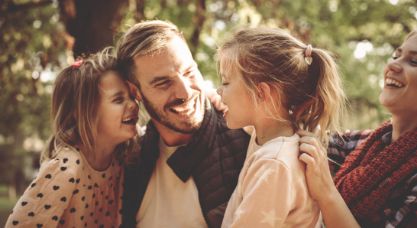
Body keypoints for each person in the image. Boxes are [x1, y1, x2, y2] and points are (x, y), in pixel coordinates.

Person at [116, 20, 251, 228]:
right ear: (135, 92)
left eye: (189, 72)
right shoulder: (129, 161)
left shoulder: (249, 139)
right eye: (163, 83)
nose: (185, 92)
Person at [216, 27, 346, 227]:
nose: (219, 91)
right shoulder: (273, 134)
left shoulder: (274, 163)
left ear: (261, 93)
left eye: (225, 82)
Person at [5, 49, 139, 228]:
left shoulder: (117, 159)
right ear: (85, 112)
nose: (133, 104)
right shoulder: (66, 167)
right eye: (118, 99)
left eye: (131, 96)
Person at [299, 30, 417, 227]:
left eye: (414, 62)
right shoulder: (367, 144)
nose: (393, 64)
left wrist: (326, 192)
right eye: (396, 55)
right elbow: (307, 135)